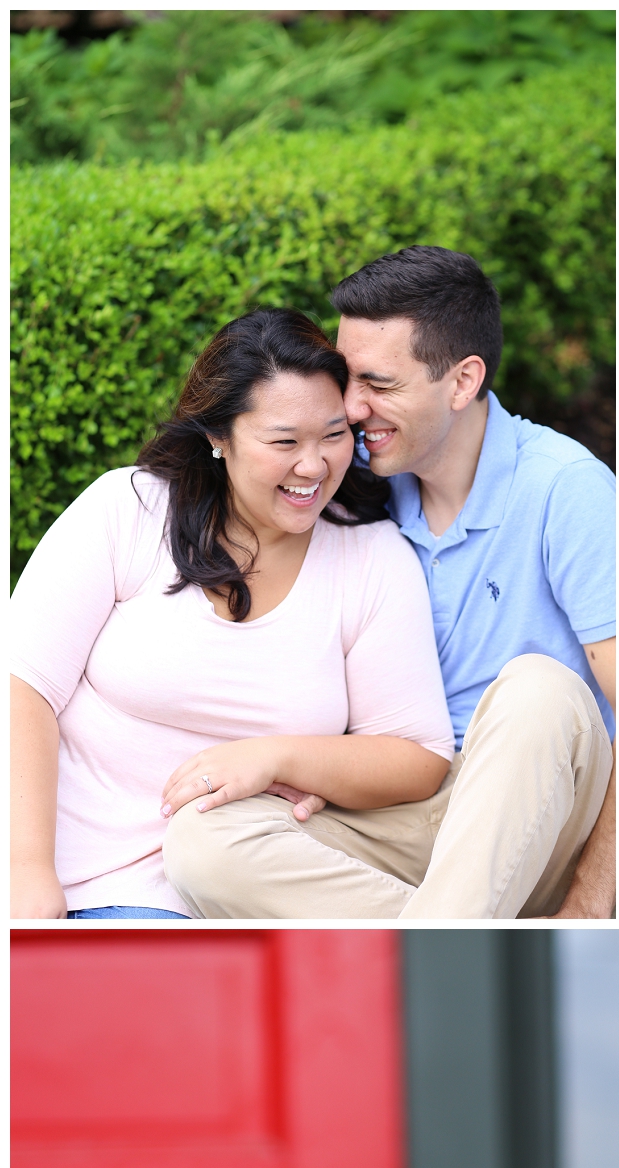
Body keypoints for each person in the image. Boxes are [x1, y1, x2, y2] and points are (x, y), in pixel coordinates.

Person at [161, 246, 618, 920]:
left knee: (539, 688)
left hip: (538, 807)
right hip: (410, 816)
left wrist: (588, 904)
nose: (349, 406)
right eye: (348, 380)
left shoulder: (564, 488)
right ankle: (464, 924)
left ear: (462, 382)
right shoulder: (352, 489)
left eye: (379, 383)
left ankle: (448, 940)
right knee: (202, 840)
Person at [9, 309, 455, 921]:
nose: (313, 465)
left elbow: (417, 754)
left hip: (254, 889)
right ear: (219, 437)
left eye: (332, 435)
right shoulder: (128, 509)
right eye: (283, 441)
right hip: (92, 886)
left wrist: (275, 755)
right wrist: (28, 875)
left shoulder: (371, 558)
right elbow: (22, 688)